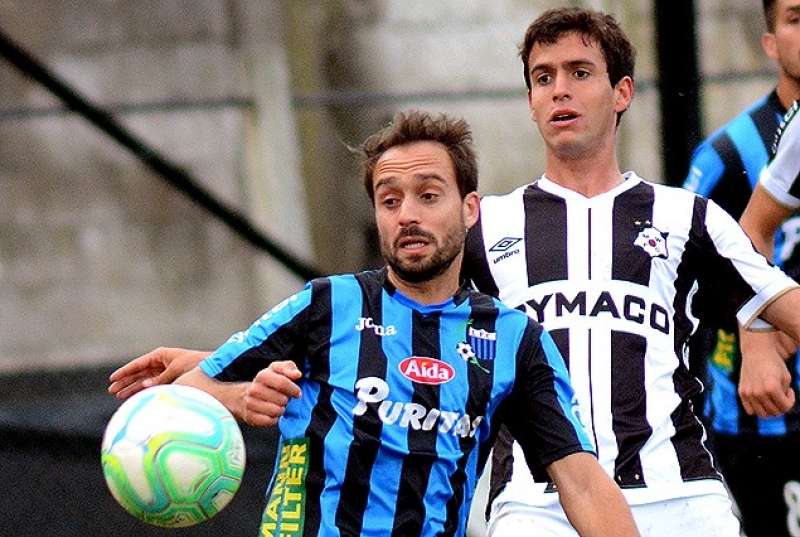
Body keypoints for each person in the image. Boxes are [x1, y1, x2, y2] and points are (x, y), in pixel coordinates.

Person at [109, 111, 640, 537]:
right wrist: (242, 400)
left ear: (470, 208)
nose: (407, 214)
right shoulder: (326, 305)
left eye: (428, 196)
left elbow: (583, 484)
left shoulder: (514, 340)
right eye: (390, 200)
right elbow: (194, 387)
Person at [459, 7, 800, 536]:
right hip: (537, 505)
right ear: (529, 101)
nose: (558, 91)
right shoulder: (484, 226)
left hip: (679, 497)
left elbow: (785, 305)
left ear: (622, 93)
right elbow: (398, 323)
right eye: (543, 78)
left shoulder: (688, 217)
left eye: (579, 72)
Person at [682, 1, 800, 533]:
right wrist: (754, 335)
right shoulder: (728, 154)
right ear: (770, 41)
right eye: (797, 18)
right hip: (758, 415)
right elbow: (686, 277)